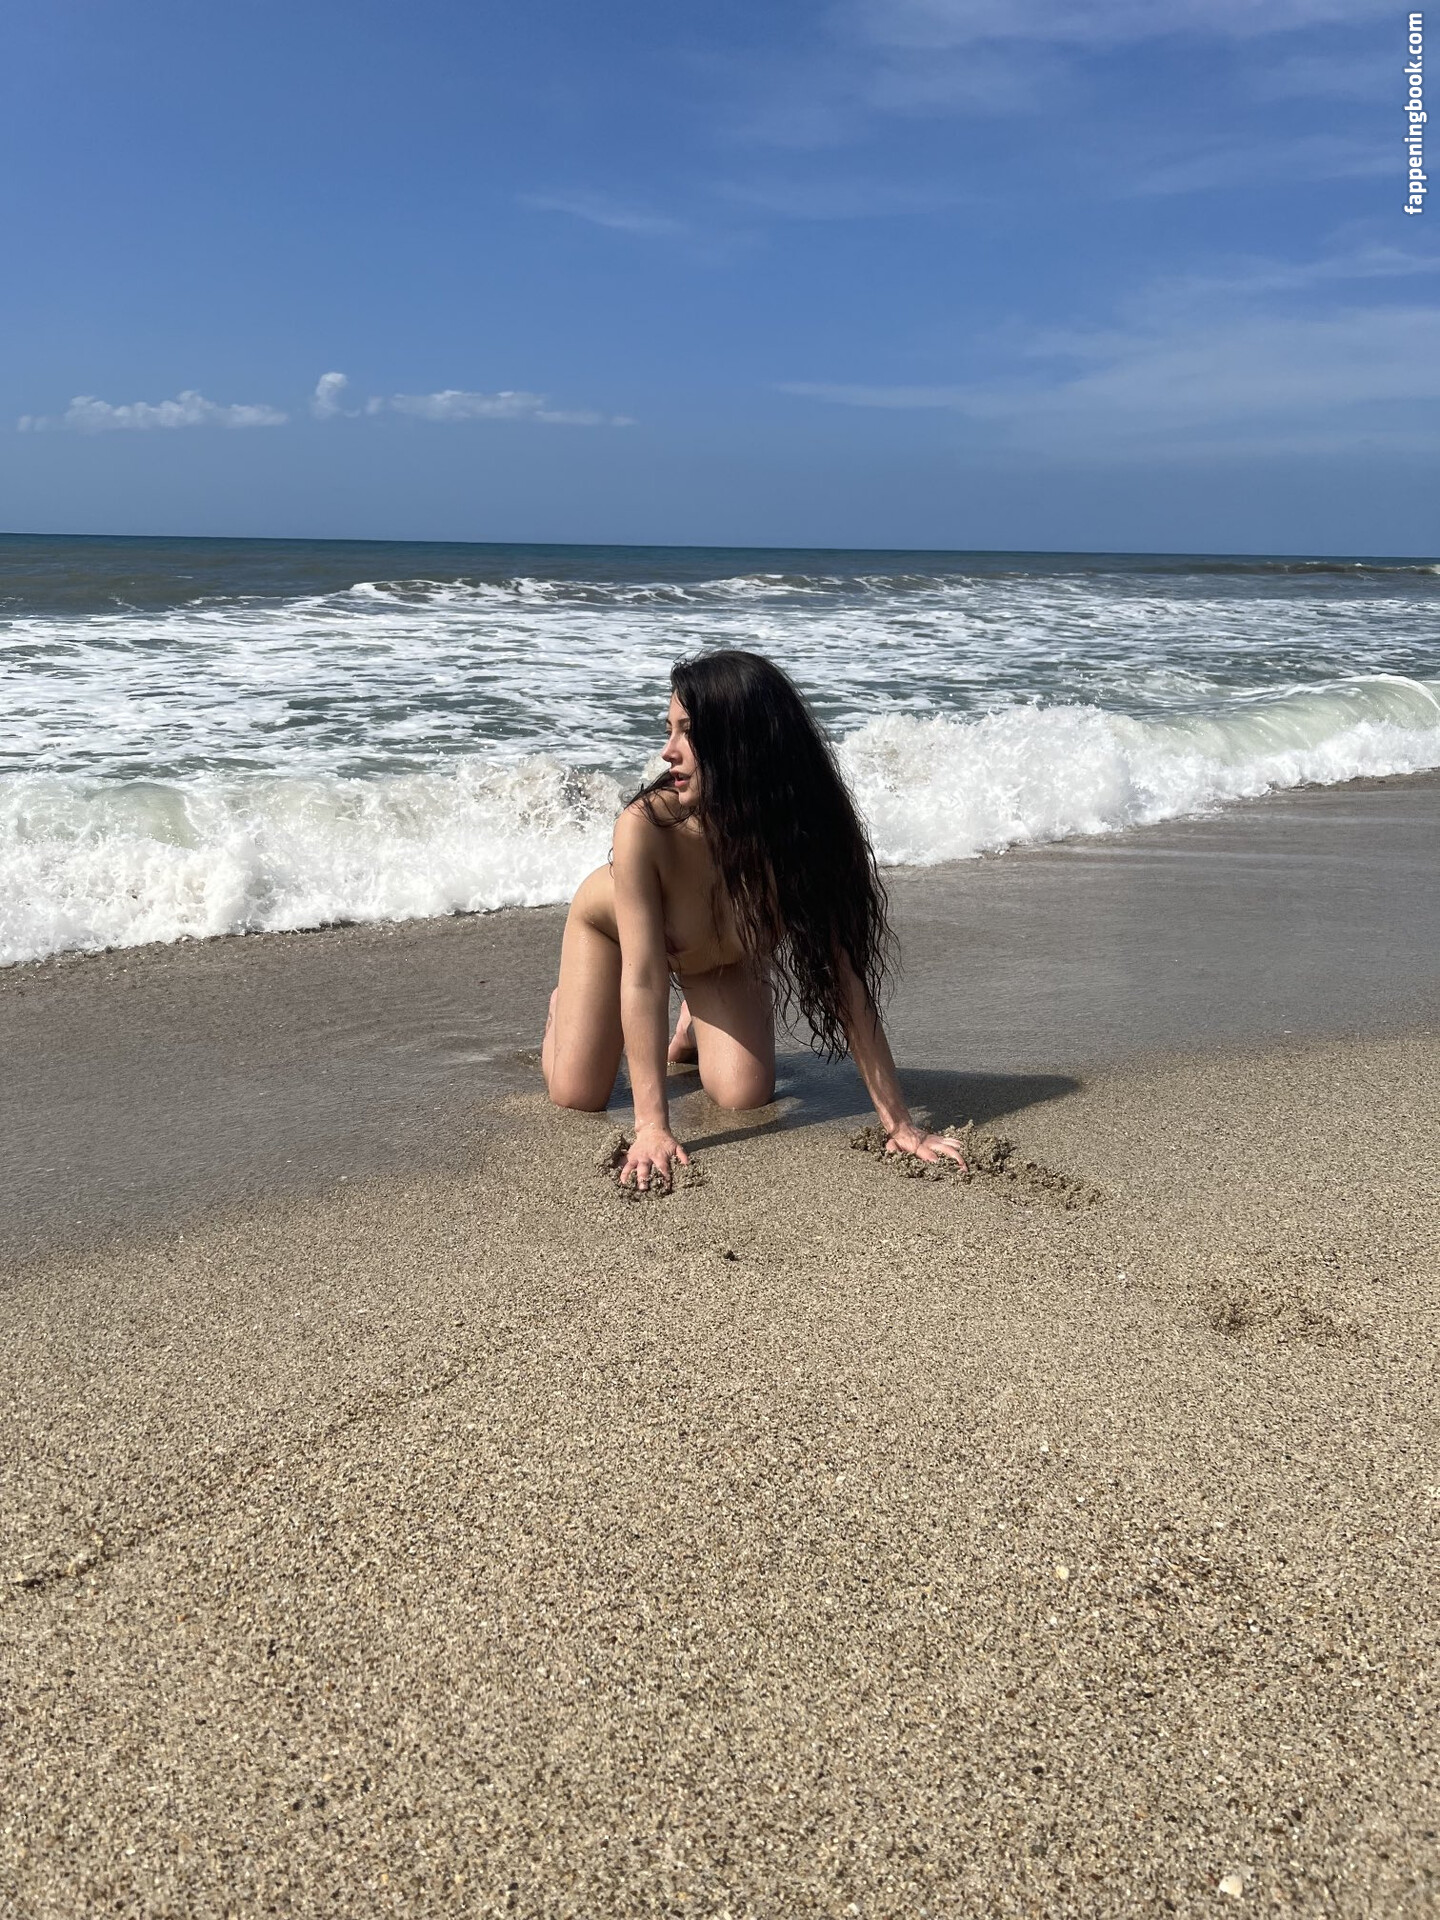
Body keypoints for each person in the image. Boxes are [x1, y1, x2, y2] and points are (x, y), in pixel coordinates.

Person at [542, 649, 967, 1190]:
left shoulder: (805, 836)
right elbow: (645, 977)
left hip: (719, 955)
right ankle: (565, 1007)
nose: (667, 751)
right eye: (669, 730)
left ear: (742, 742)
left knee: (745, 1094)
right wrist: (651, 1127)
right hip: (613, 936)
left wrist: (901, 1125)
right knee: (578, 1094)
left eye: (688, 732)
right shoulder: (646, 827)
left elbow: (846, 982)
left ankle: (691, 1025)